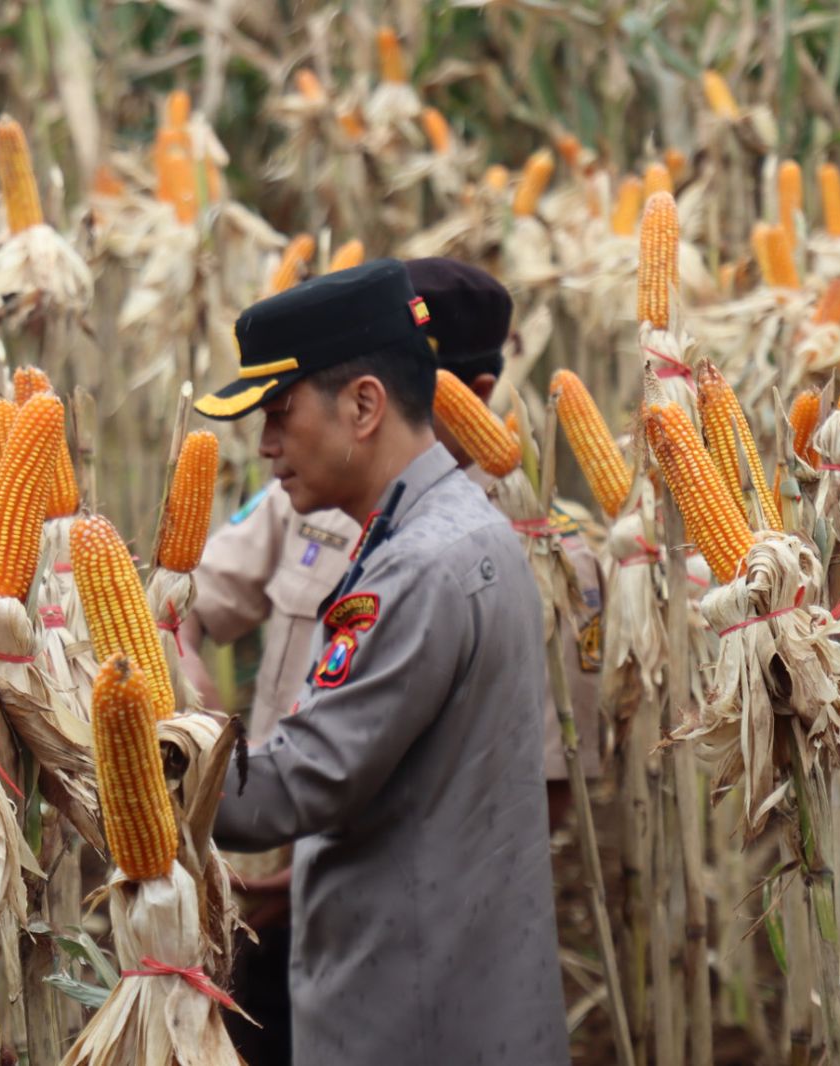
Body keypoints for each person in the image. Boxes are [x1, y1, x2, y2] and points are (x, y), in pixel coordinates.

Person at [183, 257, 601, 1061]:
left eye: (279, 412)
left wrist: (157, 742)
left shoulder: (420, 567)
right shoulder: (449, 534)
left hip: (406, 1011)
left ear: (364, 405)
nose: (266, 446)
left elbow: (282, 793)